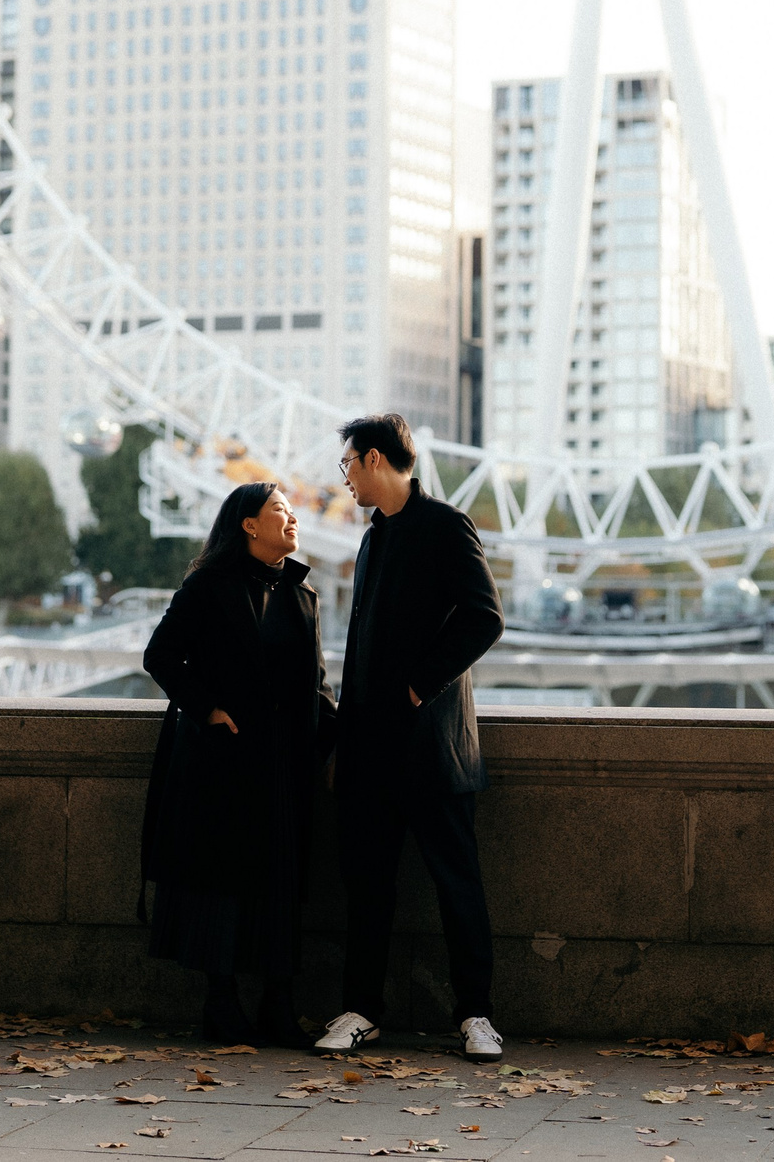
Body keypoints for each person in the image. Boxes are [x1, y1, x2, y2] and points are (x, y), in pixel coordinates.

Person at [312, 413, 507, 1063]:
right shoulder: (371, 540)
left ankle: (476, 1015)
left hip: (432, 747)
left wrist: (419, 688)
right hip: (371, 751)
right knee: (368, 886)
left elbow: (485, 617)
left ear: (372, 459)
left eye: (347, 466)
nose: (344, 479)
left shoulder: (447, 527)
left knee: (457, 885)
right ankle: (362, 1009)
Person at [140, 481, 336, 1047]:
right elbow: (160, 656)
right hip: (221, 763)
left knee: (280, 883)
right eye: (280, 509)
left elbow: (317, 683)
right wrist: (208, 710)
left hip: (282, 764)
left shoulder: (304, 595)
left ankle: (279, 1007)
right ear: (249, 524)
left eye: (292, 511)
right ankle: (220, 1005)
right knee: (219, 885)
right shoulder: (208, 584)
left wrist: (331, 739)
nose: (292, 517)